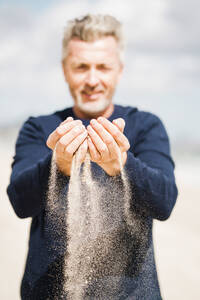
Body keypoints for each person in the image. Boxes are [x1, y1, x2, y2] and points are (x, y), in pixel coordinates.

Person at [7, 14, 178, 299]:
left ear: (119, 71)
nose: (92, 79)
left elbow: (164, 203)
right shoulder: (40, 127)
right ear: (65, 70)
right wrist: (58, 164)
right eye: (81, 67)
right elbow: (20, 202)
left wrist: (122, 165)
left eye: (103, 67)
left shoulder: (146, 126)